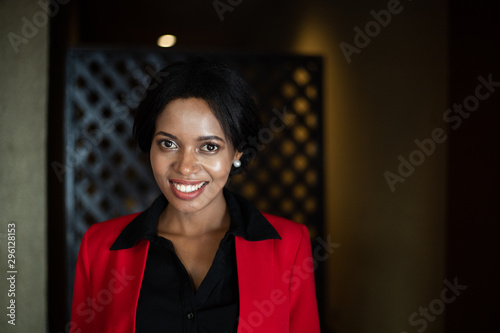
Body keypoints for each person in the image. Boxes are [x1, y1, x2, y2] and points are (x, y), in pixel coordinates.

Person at [70, 58, 320, 333]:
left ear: (237, 151)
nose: (185, 166)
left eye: (209, 147)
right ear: (149, 146)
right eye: (168, 143)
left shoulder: (289, 246)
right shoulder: (99, 247)